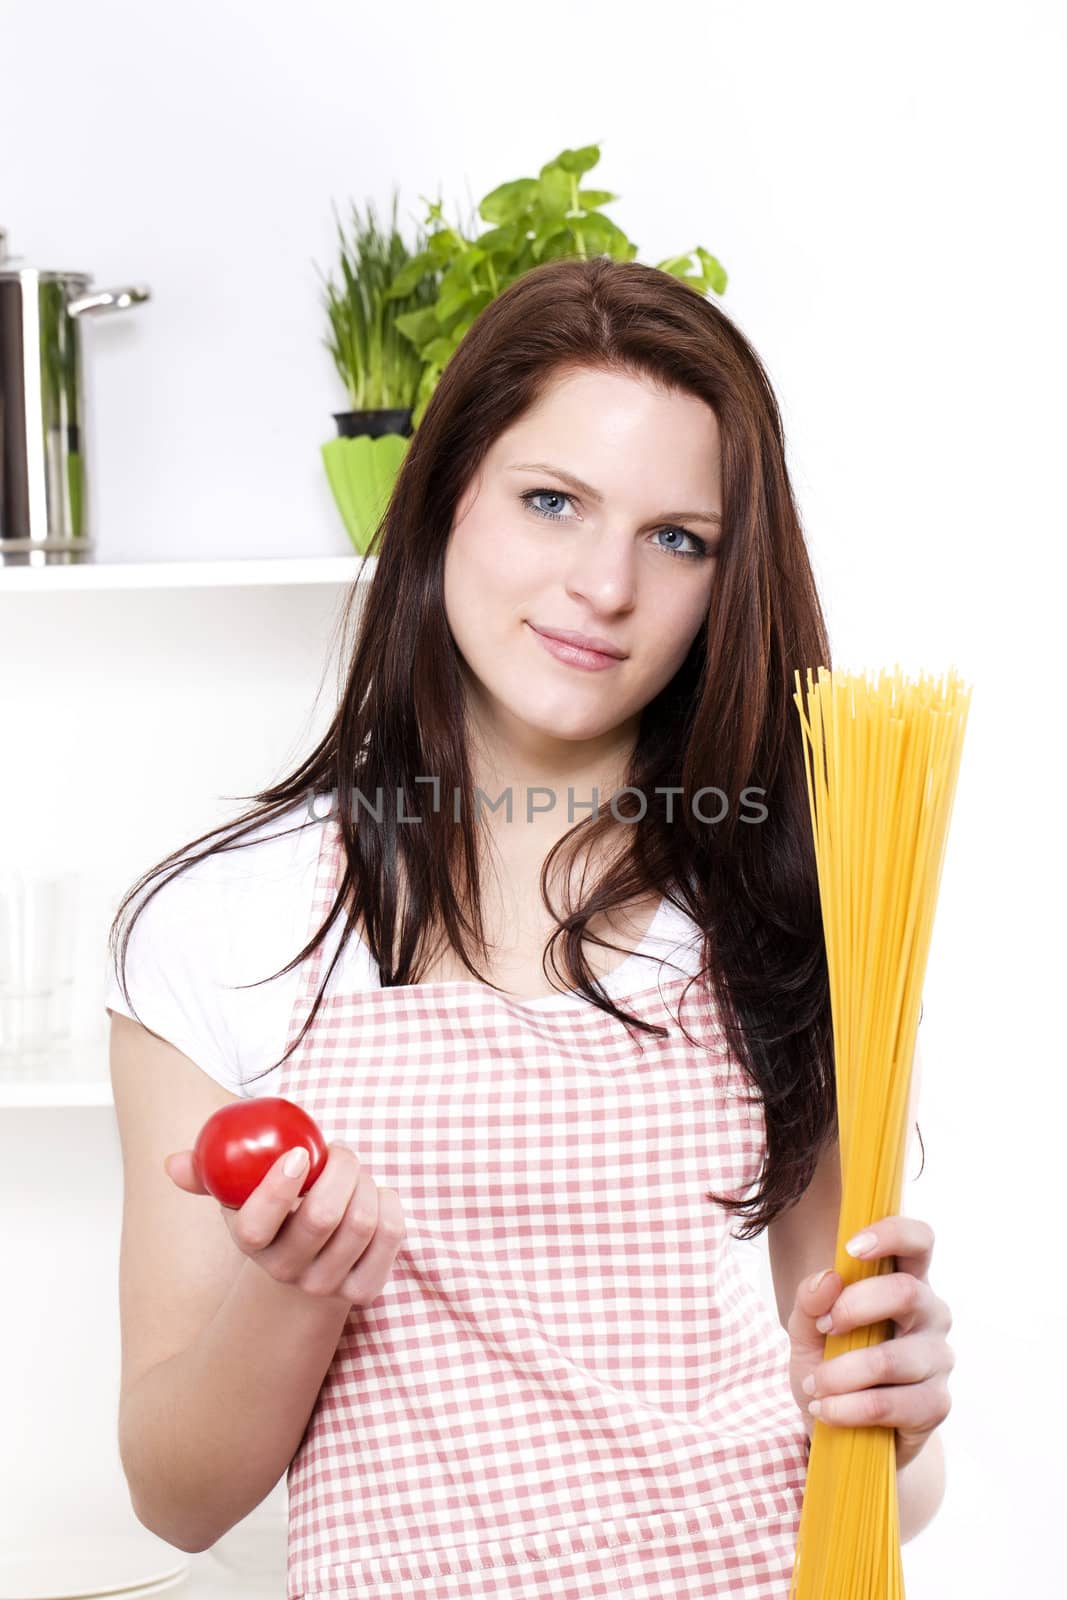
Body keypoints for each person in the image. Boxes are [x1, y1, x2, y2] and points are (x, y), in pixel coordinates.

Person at [106, 256, 953, 1598]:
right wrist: (297, 1282)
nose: (603, 586)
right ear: (446, 499)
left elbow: (887, 1495)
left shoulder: (800, 905)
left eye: (680, 538)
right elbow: (176, 1496)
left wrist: (888, 1410)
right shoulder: (226, 925)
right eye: (553, 502)